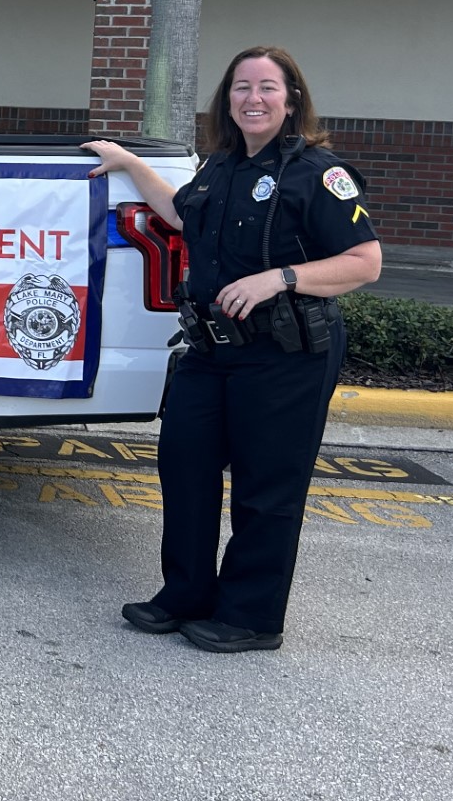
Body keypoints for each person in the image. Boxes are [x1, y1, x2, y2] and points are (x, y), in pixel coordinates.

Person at [83, 46, 381, 652]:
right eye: (241, 88)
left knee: (265, 486)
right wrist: (128, 163)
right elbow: (179, 213)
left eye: (268, 88)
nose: (253, 99)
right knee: (185, 467)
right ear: (227, 101)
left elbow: (365, 262)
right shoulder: (220, 167)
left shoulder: (317, 173)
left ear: (292, 99)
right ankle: (186, 594)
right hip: (210, 351)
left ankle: (250, 616)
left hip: (286, 353)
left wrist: (280, 278)